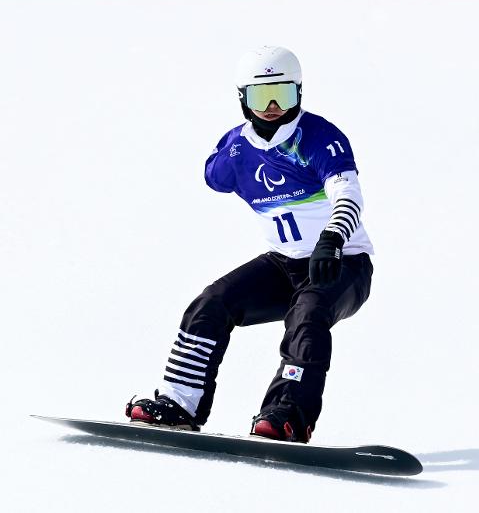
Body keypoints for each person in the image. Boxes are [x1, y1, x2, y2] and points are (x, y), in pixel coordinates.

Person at [124, 46, 374, 443]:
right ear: (242, 98)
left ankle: (288, 414)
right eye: (261, 97)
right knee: (211, 303)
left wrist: (332, 237)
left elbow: (348, 194)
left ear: (300, 93)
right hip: (284, 263)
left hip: (341, 264)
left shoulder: (317, 136)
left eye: (284, 94)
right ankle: (180, 403)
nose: (273, 107)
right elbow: (215, 177)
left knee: (307, 317)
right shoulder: (238, 146)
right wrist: (237, 152)